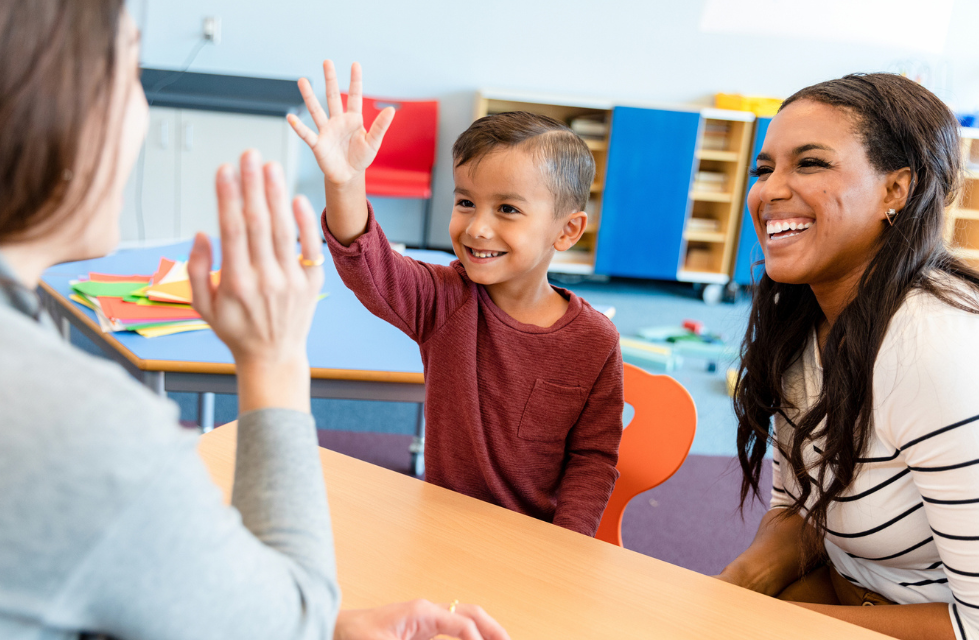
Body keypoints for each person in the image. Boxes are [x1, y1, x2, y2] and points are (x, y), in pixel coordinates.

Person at [0, 3, 509, 639]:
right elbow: (281, 625)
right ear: (50, 100)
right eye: (129, 67)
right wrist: (273, 358)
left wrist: (333, 626)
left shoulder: (588, 335)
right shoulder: (89, 431)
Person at [718, 73, 979, 640]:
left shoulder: (939, 351)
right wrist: (728, 588)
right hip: (846, 591)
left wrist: (764, 622)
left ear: (896, 191)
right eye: (764, 168)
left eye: (811, 163)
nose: (770, 190)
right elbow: (801, 510)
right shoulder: (802, 318)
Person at [287, 62, 624, 536]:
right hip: (441, 531)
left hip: (538, 546)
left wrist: (563, 548)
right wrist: (345, 182)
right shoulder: (446, 300)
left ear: (566, 230)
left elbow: (592, 458)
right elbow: (369, 265)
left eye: (507, 209)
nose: (477, 226)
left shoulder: (595, 340)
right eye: (465, 201)